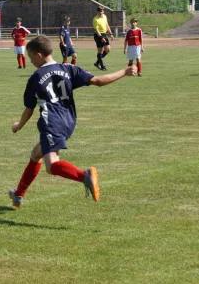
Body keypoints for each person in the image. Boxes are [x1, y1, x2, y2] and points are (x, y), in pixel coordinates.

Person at [8, 35, 137, 208]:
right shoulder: (69, 68)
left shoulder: (35, 77)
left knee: (51, 165)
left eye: (31, 58)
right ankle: (18, 195)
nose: (30, 61)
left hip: (51, 121)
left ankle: (84, 176)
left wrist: (18, 125)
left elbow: (29, 109)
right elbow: (98, 81)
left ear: (39, 55)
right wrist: (124, 72)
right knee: (36, 154)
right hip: (68, 121)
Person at [92, 6, 114, 70]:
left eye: (102, 11)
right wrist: (101, 38)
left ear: (103, 11)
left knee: (108, 49)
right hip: (98, 35)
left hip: (104, 34)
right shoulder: (95, 19)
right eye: (99, 11)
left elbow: (107, 25)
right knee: (100, 51)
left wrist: (111, 34)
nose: (101, 12)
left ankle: (97, 62)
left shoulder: (104, 16)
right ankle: (102, 66)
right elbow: (97, 30)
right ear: (97, 11)